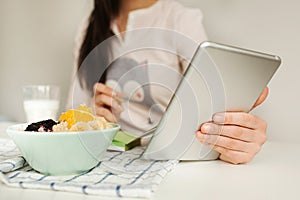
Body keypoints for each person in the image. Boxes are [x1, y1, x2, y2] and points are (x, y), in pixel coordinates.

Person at [67, 0, 268, 164]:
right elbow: (71, 116)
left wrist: (233, 138)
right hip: (109, 158)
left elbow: (210, 108)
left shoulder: (180, 20)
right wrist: (95, 120)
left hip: (172, 159)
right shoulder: (90, 26)